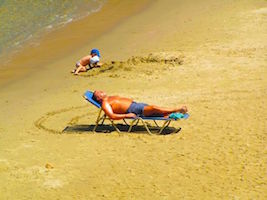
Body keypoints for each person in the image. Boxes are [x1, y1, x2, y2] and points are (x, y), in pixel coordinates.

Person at [92, 90, 188, 120]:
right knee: (154, 108)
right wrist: (126, 115)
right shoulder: (105, 103)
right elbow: (111, 116)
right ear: (98, 98)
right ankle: (177, 109)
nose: (102, 91)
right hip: (132, 110)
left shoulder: (110, 97)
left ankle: (171, 115)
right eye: (99, 92)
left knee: (156, 111)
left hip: (136, 105)